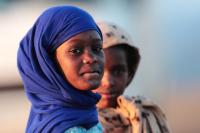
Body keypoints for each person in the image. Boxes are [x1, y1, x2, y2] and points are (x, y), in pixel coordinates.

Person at [17, 6, 105, 133]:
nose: (91, 58)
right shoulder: (62, 127)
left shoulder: (84, 113)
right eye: (75, 50)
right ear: (49, 61)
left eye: (97, 48)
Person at [93, 22, 170, 133]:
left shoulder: (147, 114)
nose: (108, 82)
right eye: (98, 71)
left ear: (130, 74)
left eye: (118, 71)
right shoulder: (69, 122)